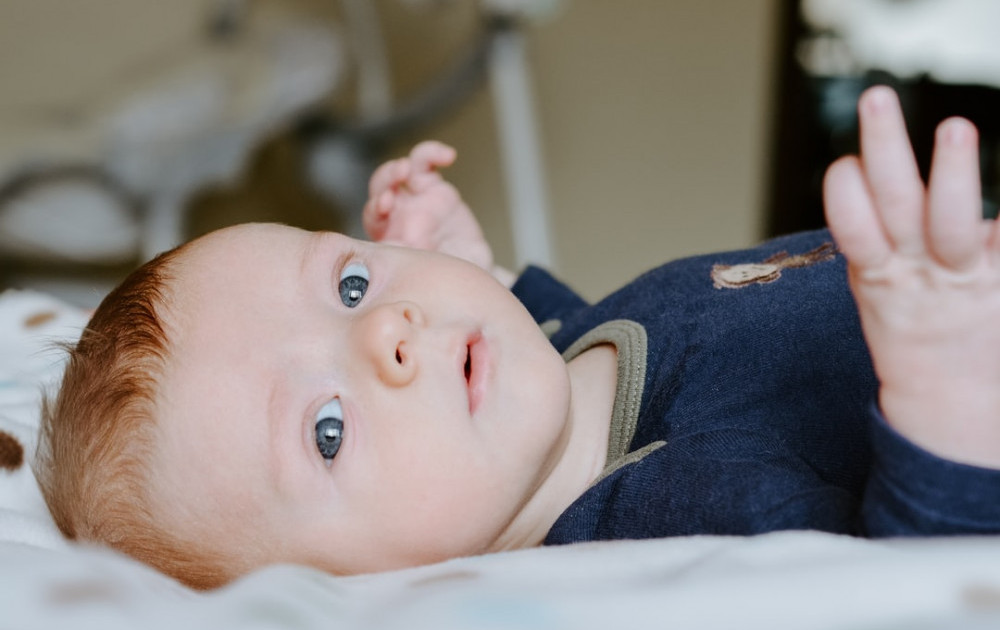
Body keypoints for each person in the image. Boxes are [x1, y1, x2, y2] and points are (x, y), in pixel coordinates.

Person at [33, 86, 1000, 590]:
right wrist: (948, 391)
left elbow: (585, 347)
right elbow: (912, 581)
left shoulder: (554, 382)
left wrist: (481, 275)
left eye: (351, 281)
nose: (390, 332)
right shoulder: (681, 516)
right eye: (326, 430)